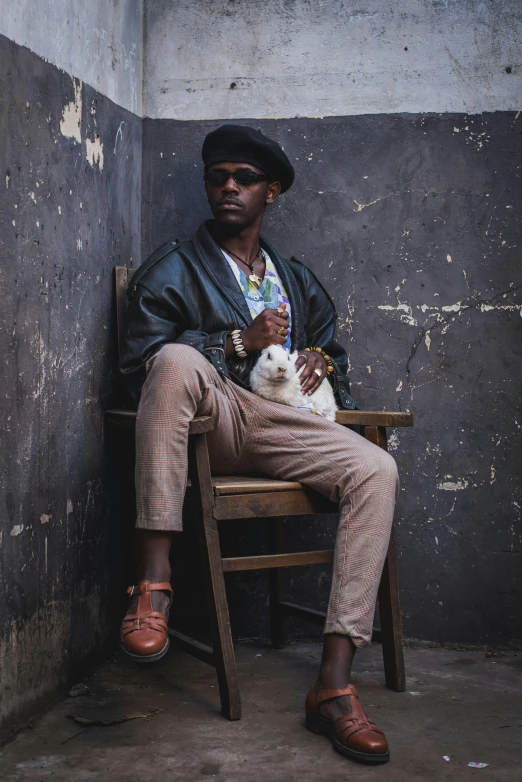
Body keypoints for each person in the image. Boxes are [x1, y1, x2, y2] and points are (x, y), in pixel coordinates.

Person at [119, 124, 399, 765]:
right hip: (211, 421)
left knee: (377, 468)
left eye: (244, 178)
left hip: (283, 429)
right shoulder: (174, 268)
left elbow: (337, 359)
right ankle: (154, 586)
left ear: (271, 191)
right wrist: (234, 344)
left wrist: (322, 363)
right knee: (173, 361)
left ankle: (333, 686)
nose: (228, 188)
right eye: (218, 177)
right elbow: (140, 373)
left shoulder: (294, 278)